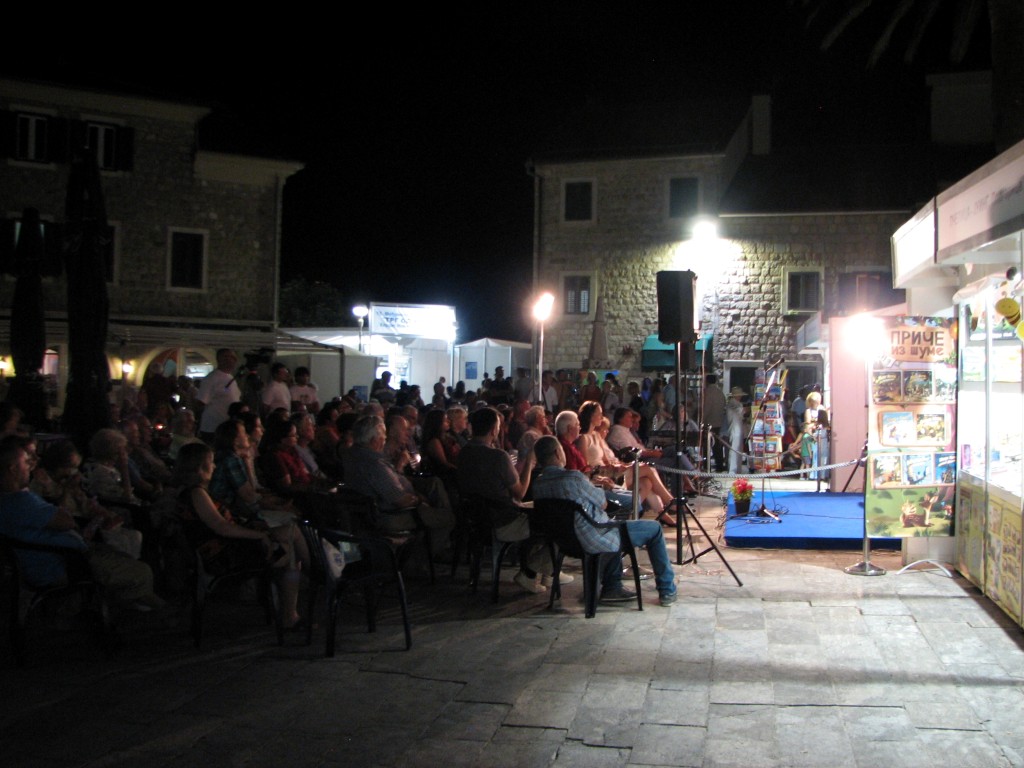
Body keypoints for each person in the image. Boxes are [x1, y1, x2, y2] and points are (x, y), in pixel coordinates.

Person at [0, 435, 171, 615]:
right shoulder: (21, 502)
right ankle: (153, 612)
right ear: (13, 468)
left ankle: (137, 605)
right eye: (26, 462)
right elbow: (66, 521)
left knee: (121, 552)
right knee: (141, 571)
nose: (31, 465)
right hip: (64, 565)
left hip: (51, 560)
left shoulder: (10, 499)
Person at [530, 435, 677, 607]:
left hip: (565, 542)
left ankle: (612, 587)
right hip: (593, 536)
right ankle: (667, 590)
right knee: (654, 529)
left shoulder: (538, 484)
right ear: (557, 453)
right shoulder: (573, 478)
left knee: (612, 523)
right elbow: (603, 503)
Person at [174, 442, 304, 630]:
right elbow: (221, 527)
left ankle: (308, 585)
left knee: (290, 533)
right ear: (199, 468)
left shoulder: (191, 492)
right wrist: (258, 535)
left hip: (228, 546)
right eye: (211, 462)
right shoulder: (196, 494)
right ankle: (291, 613)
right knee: (291, 555)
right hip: (225, 555)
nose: (214, 467)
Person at [455, 406, 555, 594]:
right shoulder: (498, 457)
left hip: (475, 520)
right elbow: (520, 493)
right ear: (494, 429)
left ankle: (545, 572)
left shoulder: (464, 453)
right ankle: (532, 572)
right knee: (553, 521)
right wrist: (529, 462)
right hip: (503, 520)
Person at [343, 415, 455, 559]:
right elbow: (400, 500)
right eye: (383, 436)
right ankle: (421, 559)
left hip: (370, 513)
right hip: (391, 515)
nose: (385, 439)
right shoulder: (374, 464)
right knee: (448, 517)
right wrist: (420, 500)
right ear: (374, 440)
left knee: (434, 486)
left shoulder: (353, 455)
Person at [195, 348, 241, 443]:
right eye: (228, 357)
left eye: (233, 358)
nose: (232, 360)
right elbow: (200, 402)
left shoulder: (230, 377)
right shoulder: (211, 379)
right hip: (213, 427)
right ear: (220, 359)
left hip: (227, 427)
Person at [701, 375, 727, 472]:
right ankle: (719, 465)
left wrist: (701, 420)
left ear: (707, 381)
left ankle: (706, 466)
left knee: (706, 446)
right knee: (717, 446)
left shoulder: (707, 392)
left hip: (708, 423)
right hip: (718, 422)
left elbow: (706, 409)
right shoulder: (720, 392)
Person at [724, 387, 746, 474]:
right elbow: (742, 411)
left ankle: (737, 469)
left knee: (738, 449)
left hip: (738, 428)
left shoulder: (737, 403)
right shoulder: (732, 403)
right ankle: (732, 469)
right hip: (734, 428)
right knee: (734, 449)